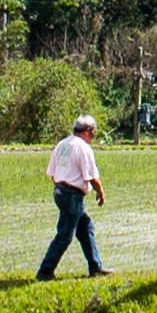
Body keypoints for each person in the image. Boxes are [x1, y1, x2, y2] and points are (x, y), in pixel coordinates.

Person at [41, 112, 109, 276]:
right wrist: (100, 193)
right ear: (87, 130)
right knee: (65, 235)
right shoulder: (83, 148)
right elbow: (92, 176)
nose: (93, 135)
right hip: (73, 195)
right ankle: (45, 271)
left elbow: (52, 172)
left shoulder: (62, 144)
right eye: (93, 132)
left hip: (60, 191)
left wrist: (61, 187)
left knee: (85, 228)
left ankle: (95, 266)